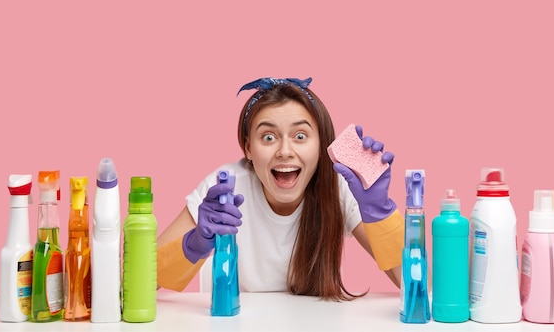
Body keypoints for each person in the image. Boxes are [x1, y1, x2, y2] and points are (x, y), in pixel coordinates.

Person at [157, 77, 404, 301]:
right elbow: (136, 281)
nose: (285, 151)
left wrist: (379, 212)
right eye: (268, 137)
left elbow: (418, 286)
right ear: (248, 149)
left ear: (321, 146)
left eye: (300, 136)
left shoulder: (340, 187)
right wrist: (194, 244)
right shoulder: (224, 188)